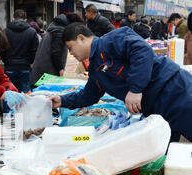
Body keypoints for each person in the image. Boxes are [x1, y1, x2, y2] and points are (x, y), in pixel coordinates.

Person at [48, 23, 192, 143]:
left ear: (81, 38)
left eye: (70, 47)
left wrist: (135, 89)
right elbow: (89, 95)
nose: (71, 53)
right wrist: (61, 100)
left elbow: (142, 51)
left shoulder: (113, 39)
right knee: (166, 155)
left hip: (175, 91)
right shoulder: (95, 70)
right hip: (157, 109)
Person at [31, 13, 84, 86]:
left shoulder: (57, 27)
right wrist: (61, 70)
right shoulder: (59, 30)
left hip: (43, 72)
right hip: (46, 74)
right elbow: (56, 52)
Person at [1, 9, 39, 96]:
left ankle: (8, 110)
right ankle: (24, 110)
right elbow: (35, 51)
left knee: (9, 94)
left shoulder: (5, 31)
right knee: (25, 95)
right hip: (25, 67)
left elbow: (2, 50)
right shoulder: (32, 32)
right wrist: (30, 62)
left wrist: (6, 61)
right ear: (25, 19)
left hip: (10, 67)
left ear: (13, 18)